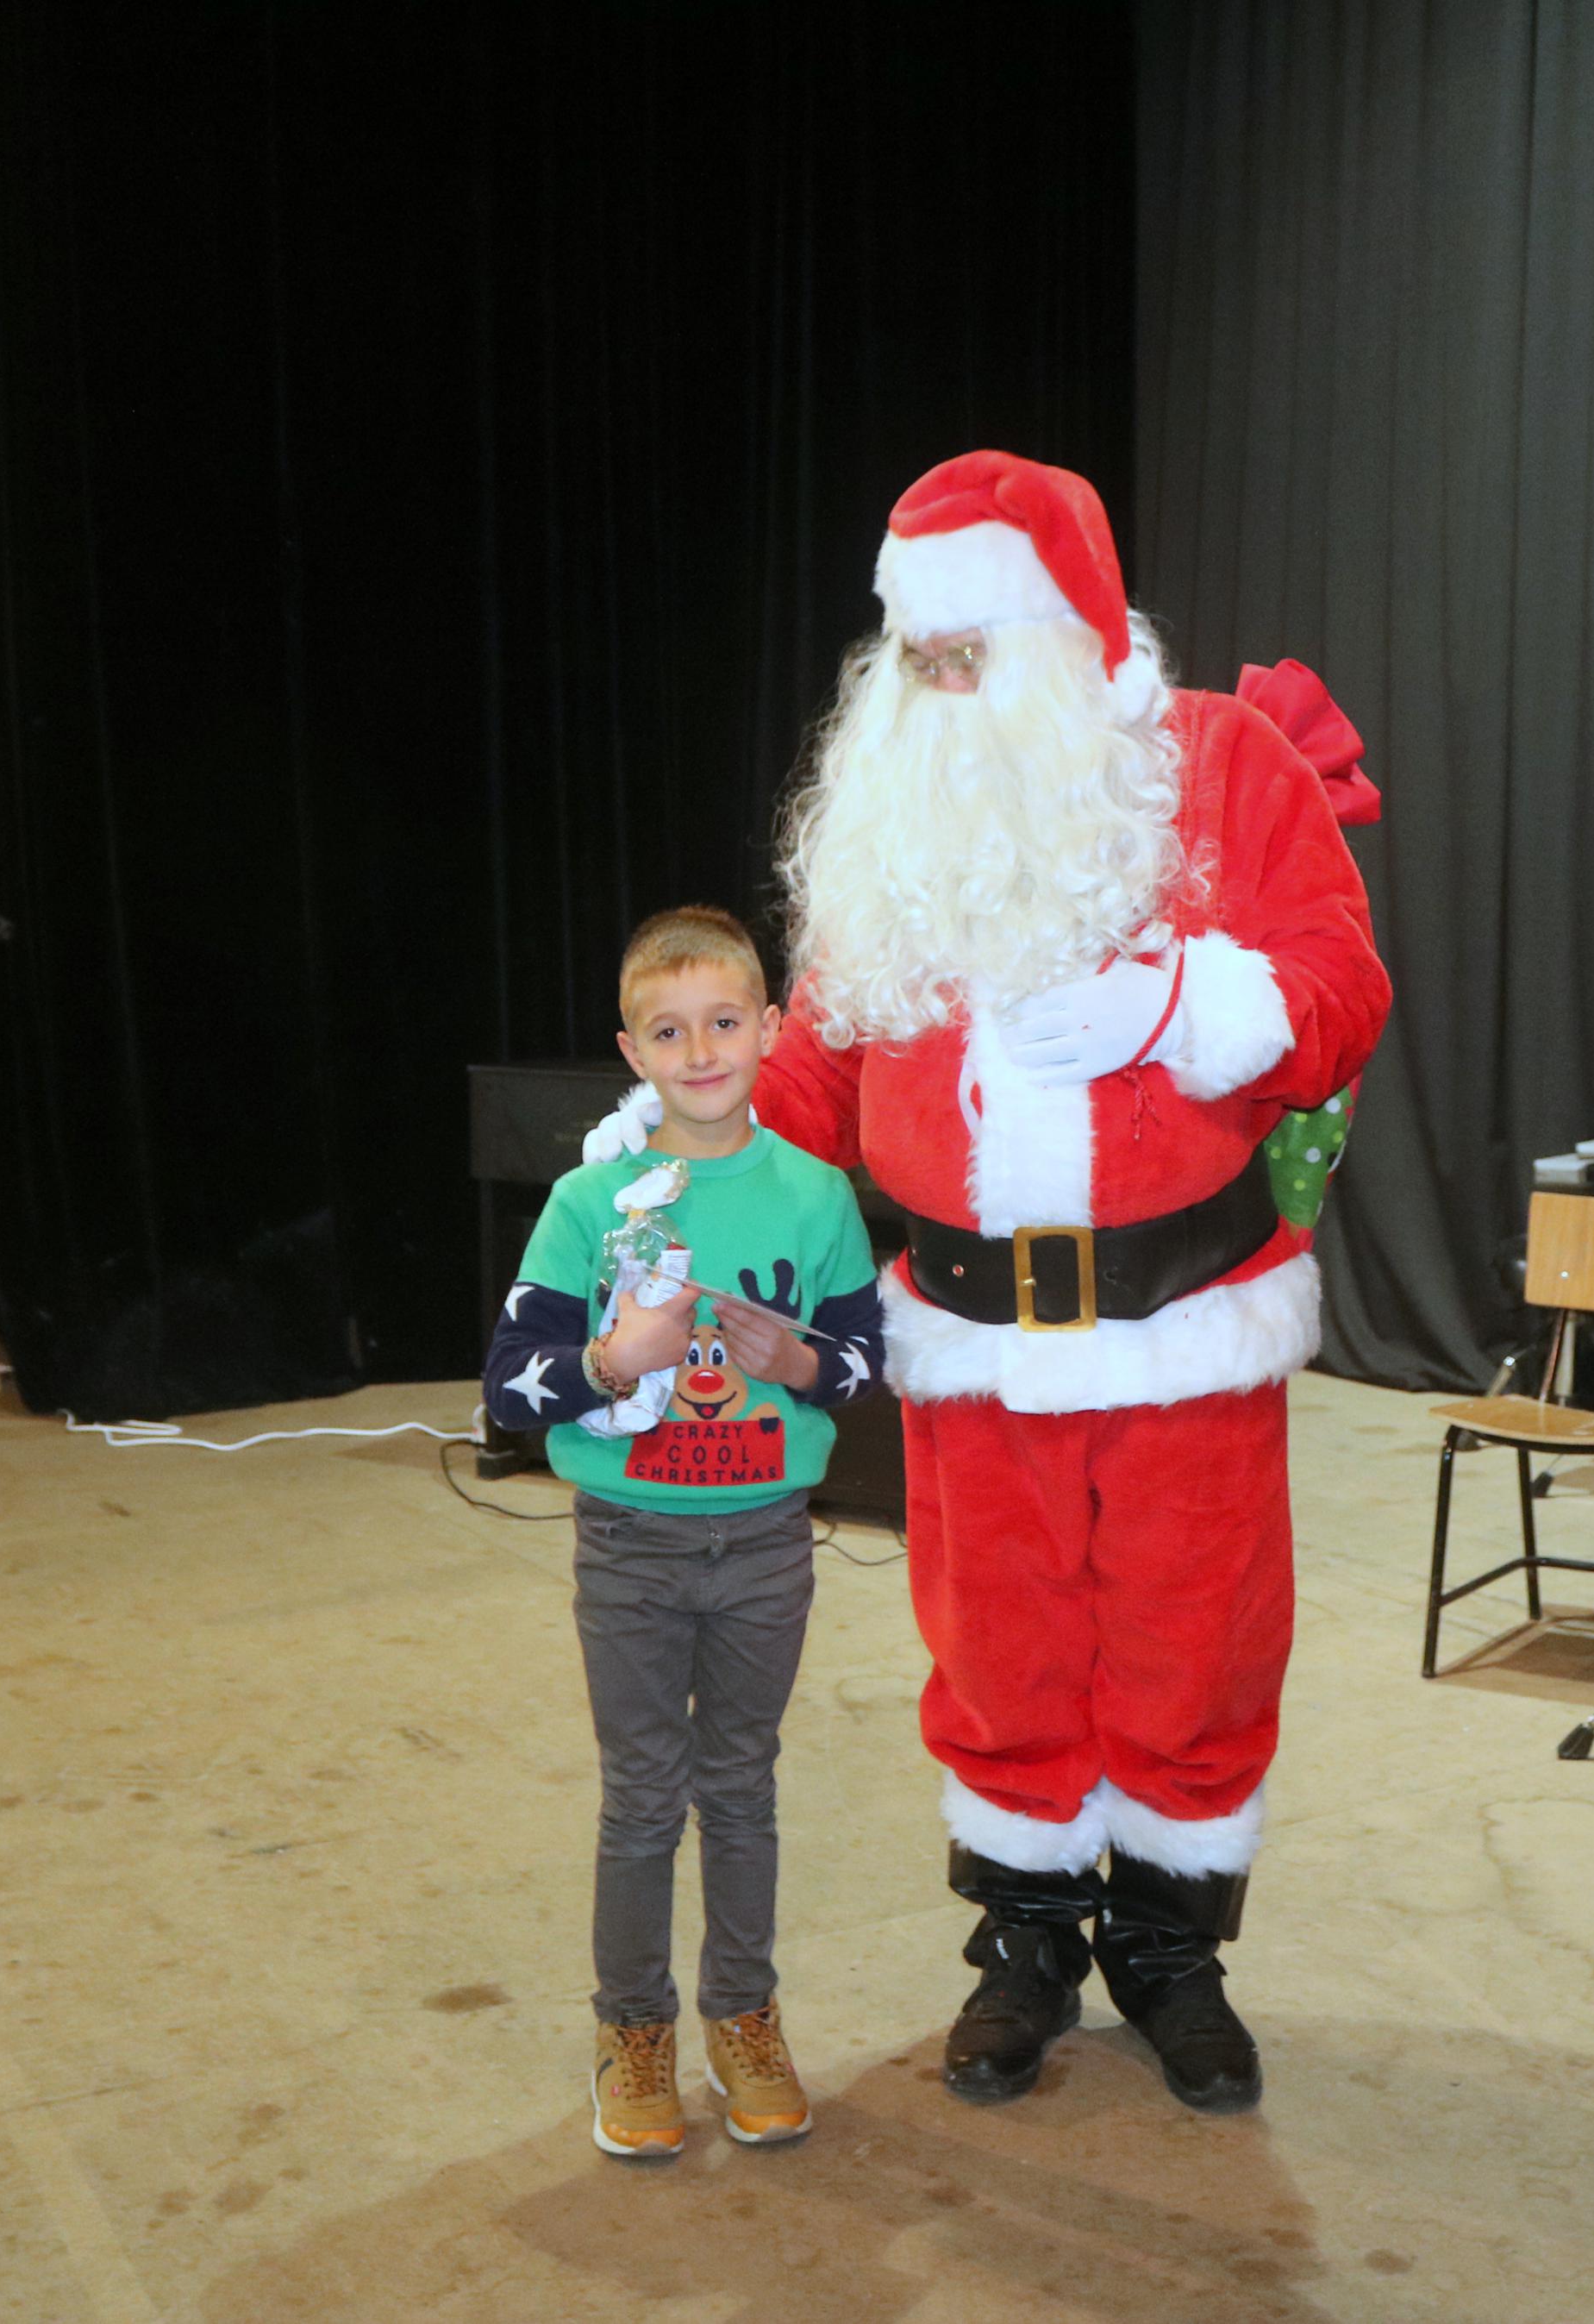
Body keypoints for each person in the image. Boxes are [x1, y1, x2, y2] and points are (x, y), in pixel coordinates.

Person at [597, 449, 1390, 2114]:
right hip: (968, 1340)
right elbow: (822, 1067)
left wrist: (1181, 1005)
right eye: (919, 656)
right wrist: (691, 1119)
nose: (940, 686)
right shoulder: (898, 825)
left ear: (1060, 630)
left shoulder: (1219, 770)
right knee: (999, 1649)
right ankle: (1026, 1942)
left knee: (1194, 1642)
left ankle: (1172, 1951)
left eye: (969, 652)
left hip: (1183, 1324)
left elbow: (1338, 988)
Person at [483, 905, 889, 2161]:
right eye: (671, 1030)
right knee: (644, 1798)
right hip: (632, 1548)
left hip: (766, 1544)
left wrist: (803, 1360)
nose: (701, 1050)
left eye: (724, 1022)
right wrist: (613, 1360)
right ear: (633, 1049)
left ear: (768, 1029)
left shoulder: (820, 1197)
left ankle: (744, 2017)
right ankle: (634, 2028)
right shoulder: (588, 1206)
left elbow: (868, 1370)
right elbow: (506, 1385)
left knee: (744, 1786)